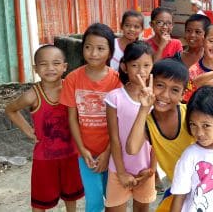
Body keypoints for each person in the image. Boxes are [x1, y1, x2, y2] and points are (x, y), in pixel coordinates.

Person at [5, 45, 84, 212]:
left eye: (56, 63)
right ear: (35, 68)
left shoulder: (71, 89)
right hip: (44, 160)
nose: (50, 68)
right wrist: (28, 131)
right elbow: (10, 110)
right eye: (43, 64)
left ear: (65, 67)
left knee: (71, 197)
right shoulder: (32, 95)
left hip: (71, 155)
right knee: (40, 202)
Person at [60, 23, 122, 212]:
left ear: (110, 52)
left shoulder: (116, 80)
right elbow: (72, 118)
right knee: (94, 202)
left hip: (111, 151)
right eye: (88, 47)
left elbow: (120, 122)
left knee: (113, 200)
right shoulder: (72, 79)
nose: (93, 53)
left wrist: (107, 152)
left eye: (100, 48)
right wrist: (83, 150)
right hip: (85, 153)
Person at [126, 59, 194, 211]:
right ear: (150, 84)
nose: (164, 95)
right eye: (159, 85)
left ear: (183, 94)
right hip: (179, 187)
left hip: (204, 186)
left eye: (174, 90)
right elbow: (131, 148)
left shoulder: (190, 116)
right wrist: (144, 108)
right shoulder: (148, 123)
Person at [105, 41, 157, 211]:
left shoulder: (156, 100)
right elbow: (113, 138)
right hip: (118, 169)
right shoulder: (115, 98)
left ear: (152, 67)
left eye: (146, 65)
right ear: (124, 67)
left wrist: (152, 169)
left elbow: (157, 140)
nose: (141, 71)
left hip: (145, 169)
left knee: (142, 208)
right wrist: (121, 172)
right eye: (135, 65)